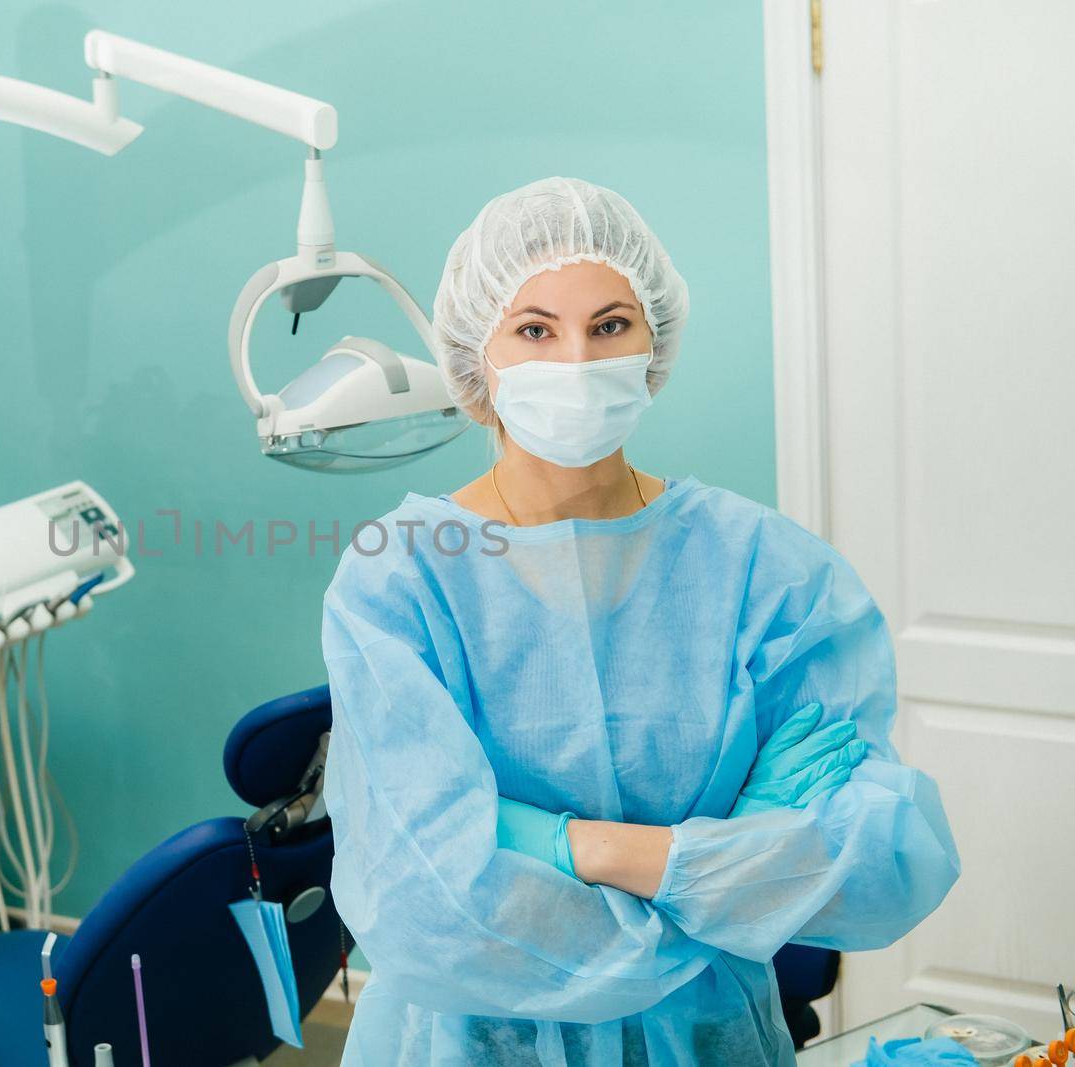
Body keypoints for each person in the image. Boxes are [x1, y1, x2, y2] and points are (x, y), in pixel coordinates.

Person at [319, 176, 960, 1065]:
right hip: (472, 1038)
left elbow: (881, 851)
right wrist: (719, 872)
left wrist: (554, 842)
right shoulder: (401, 574)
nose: (576, 362)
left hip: (708, 1038)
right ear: (478, 355)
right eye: (535, 329)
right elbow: (430, 894)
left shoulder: (764, 571)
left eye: (611, 325)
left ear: (654, 338)